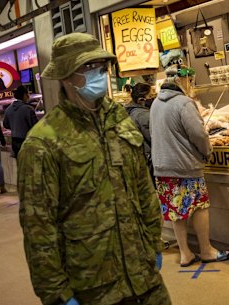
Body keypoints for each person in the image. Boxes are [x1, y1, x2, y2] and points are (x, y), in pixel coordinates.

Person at [17, 33, 171, 305]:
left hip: (143, 274)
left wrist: (153, 244)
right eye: (86, 68)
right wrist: (56, 295)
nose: (97, 73)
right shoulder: (44, 142)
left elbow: (144, 190)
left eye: (100, 67)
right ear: (66, 77)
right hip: (92, 286)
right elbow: (39, 227)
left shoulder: (119, 121)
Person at [150, 64, 229, 267]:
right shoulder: (184, 103)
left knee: (177, 211)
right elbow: (199, 134)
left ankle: (186, 253)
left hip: (162, 168)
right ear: (182, 80)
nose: (191, 84)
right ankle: (206, 250)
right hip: (185, 167)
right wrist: (207, 152)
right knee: (199, 206)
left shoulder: (155, 104)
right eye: (189, 80)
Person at [125, 83, 155, 184]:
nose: (154, 98)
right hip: (148, 158)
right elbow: (153, 138)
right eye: (150, 96)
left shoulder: (130, 111)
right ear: (141, 100)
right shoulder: (143, 115)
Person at [2, 85, 38, 158]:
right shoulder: (28, 109)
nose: (28, 95)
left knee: (20, 165)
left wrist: (14, 126)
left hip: (15, 142)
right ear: (24, 95)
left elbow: (5, 125)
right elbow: (36, 127)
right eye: (27, 93)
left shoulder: (9, 109)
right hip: (27, 141)